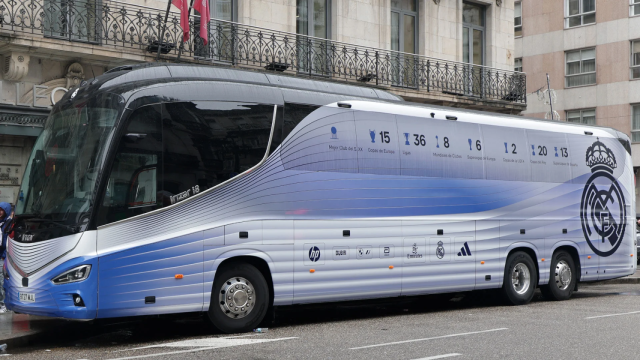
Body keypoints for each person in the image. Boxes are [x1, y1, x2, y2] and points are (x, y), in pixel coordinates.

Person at [0, 202, 13, 314]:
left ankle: (4, 304)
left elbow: (7, 241)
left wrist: (5, 256)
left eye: (1, 210)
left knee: (1, 280)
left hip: (3, 256)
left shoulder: (8, 223)